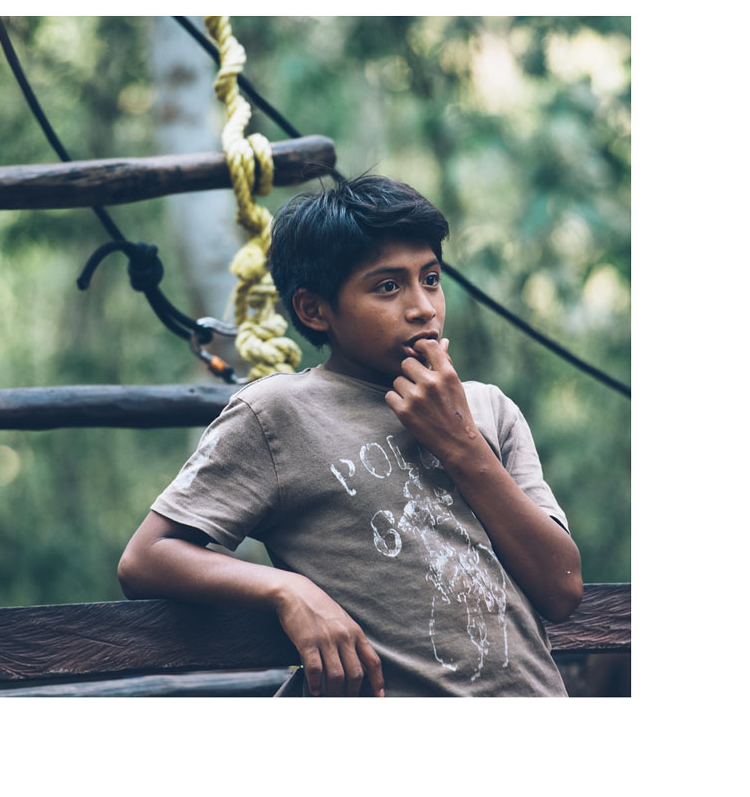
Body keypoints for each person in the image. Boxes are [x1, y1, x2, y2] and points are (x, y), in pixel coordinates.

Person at [117, 175, 582, 697]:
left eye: (430, 278)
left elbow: (561, 589)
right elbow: (147, 558)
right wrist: (287, 590)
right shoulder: (277, 415)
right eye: (388, 286)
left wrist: (460, 441)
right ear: (314, 310)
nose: (423, 306)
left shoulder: (488, 408)